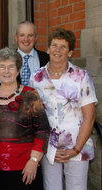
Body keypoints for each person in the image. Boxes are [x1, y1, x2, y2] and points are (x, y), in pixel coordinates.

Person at [30, 28, 98, 190]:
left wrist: (76, 149)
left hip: (78, 145)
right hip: (49, 148)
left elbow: (90, 116)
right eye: (54, 45)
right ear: (47, 49)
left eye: (63, 47)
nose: (57, 50)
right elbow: (34, 116)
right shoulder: (36, 78)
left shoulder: (82, 76)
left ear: (70, 52)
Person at [0, 47, 50, 190]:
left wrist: (34, 160)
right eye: (2, 67)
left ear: (18, 70)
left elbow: (42, 130)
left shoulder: (30, 94)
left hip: (25, 168)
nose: (6, 71)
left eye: (11, 67)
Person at [15, 21, 49, 86]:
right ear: (16, 38)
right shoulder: (8, 59)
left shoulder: (47, 58)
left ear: (36, 38)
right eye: (22, 35)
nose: (26, 39)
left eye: (30, 35)